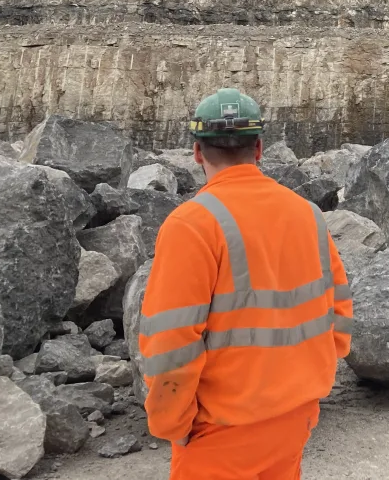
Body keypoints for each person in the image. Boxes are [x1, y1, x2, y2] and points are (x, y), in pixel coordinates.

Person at [138, 88, 353, 480]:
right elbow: (339, 312)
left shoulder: (192, 225)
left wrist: (173, 425)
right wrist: (308, 377)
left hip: (221, 431)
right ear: (259, 148)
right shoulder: (308, 214)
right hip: (295, 417)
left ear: (198, 153)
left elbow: (171, 344)